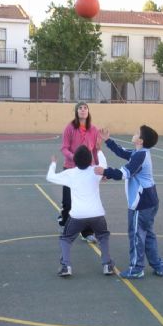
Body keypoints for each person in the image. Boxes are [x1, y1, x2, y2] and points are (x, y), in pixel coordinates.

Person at [95, 125, 163, 279]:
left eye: (136, 133)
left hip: (141, 204)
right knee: (147, 234)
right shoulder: (139, 153)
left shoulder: (140, 156)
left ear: (140, 140)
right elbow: (122, 152)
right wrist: (108, 140)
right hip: (150, 200)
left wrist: (105, 172)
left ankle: (136, 268)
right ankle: (158, 265)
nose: (133, 134)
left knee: (136, 235)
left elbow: (123, 173)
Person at [46, 145, 114, 277]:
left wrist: (53, 163)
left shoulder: (70, 173)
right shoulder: (96, 170)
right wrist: (99, 150)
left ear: (74, 161)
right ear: (90, 160)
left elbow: (50, 177)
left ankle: (66, 266)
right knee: (103, 237)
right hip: (97, 214)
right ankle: (107, 265)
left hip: (77, 215)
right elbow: (104, 164)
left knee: (66, 239)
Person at [59, 101, 100, 244]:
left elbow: (95, 150)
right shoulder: (70, 128)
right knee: (69, 202)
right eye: (80, 108)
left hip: (87, 170)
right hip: (71, 169)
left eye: (85, 108)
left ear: (88, 112)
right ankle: (64, 220)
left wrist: (99, 167)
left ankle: (87, 232)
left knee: (87, 202)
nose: (83, 110)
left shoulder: (94, 130)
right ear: (76, 112)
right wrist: (74, 157)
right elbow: (64, 148)